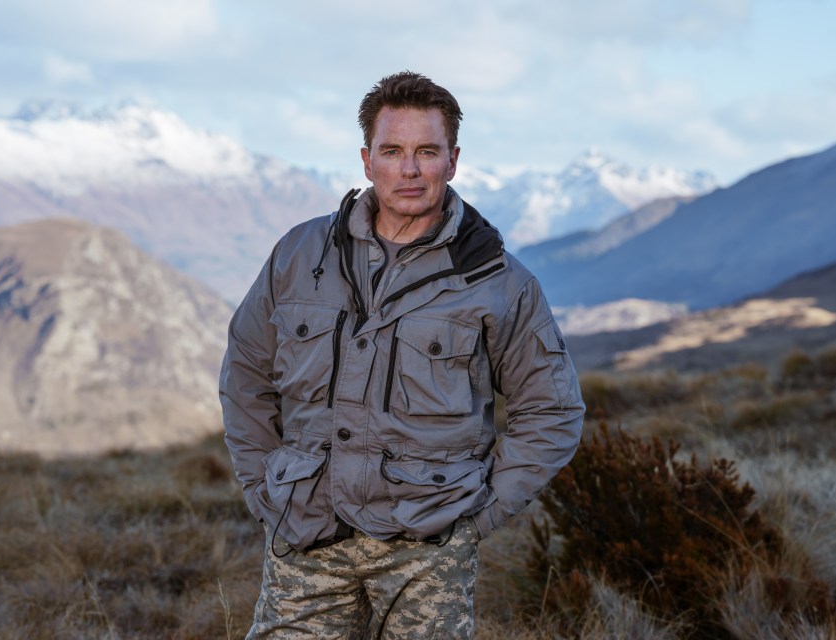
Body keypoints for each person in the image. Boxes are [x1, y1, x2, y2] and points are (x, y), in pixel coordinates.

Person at [220, 71, 584, 639]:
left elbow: (552, 410)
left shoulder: (497, 281)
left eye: (426, 152)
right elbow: (245, 372)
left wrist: (475, 518)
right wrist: (265, 487)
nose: (409, 170)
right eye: (392, 151)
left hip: (428, 548)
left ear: (453, 159)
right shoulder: (299, 254)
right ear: (367, 160)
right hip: (307, 531)